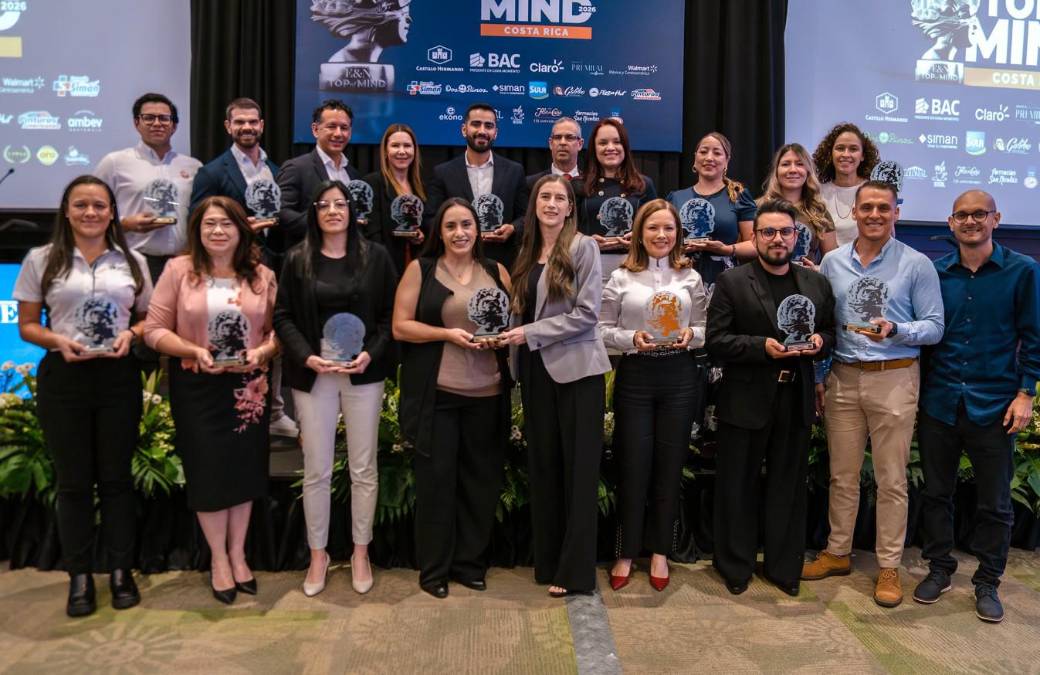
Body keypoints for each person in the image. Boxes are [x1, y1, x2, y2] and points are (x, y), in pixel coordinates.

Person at [14, 176, 152, 617]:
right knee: (73, 483)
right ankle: (79, 575)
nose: (90, 213)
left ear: (113, 212)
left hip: (118, 378)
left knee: (116, 480)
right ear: (67, 211)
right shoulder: (42, 259)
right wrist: (57, 342)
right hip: (65, 378)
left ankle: (119, 569)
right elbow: (28, 325)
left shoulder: (134, 260)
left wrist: (132, 334)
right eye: (81, 205)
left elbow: (149, 319)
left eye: (99, 205)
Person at [805, 181, 944, 608]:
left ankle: (888, 566)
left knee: (891, 480)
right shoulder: (832, 261)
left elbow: (936, 326)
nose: (874, 215)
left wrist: (898, 329)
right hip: (844, 377)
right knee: (842, 475)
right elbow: (826, 323)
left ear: (895, 213)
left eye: (883, 208)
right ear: (855, 213)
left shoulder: (917, 264)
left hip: (895, 377)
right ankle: (838, 552)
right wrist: (818, 377)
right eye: (866, 207)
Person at [144, 196, 278, 605]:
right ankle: (218, 558)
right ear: (197, 231)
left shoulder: (262, 275)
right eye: (209, 225)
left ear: (241, 229)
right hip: (198, 385)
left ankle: (239, 554)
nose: (218, 231)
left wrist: (262, 353)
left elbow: (277, 332)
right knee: (208, 473)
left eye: (226, 224)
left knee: (243, 472)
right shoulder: (178, 270)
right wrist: (191, 350)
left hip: (247, 390)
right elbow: (152, 329)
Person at [914, 190, 1040, 623]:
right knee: (936, 494)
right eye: (962, 215)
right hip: (940, 402)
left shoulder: (1023, 271)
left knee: (995, 503)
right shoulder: (934, 272)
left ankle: (987, 581)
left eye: (979, 214)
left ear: (996, 218)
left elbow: (1034, 337)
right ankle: (939, 569)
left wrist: (1026, 394)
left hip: (996, 404)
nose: (970, 221)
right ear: (951, 223)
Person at [273, 180, 397, 598]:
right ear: (314, 212)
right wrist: (307, 356)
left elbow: (387, 318)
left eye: (339, 203)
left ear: (351, 210)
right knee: (317, 469)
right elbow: (283, 316)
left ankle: (361, 552)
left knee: (364, 468)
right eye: (323, 204)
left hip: (363, 372)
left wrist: (371, 355)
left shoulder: (375, 257)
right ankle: (318, 554)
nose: (332, 210)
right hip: (314, 375)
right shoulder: (296, 259)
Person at [706, 199, 836, 597]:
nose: (777, 239)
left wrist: (819, 341)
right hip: (746, 397)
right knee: (737, 485)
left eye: (785, 232)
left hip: (793, 398)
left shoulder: (816, 283)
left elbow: (832, 333)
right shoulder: (732, 282)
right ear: (755, 236)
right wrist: (761, 346)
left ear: (796, 237)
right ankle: (736, 566)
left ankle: (783, 568)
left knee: (788, 487)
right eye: (768, 232)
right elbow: (716, 342)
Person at [497, 175, 611, 597]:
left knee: (579, 471)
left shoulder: (584, 246)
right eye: (544, 196)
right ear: (534, 205)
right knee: (543, 467)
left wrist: (531, 334)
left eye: (558, 197)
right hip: (534, 370)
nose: (550, 203)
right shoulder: (526, 250)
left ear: (569, 207)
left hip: (578, 371)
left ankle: (575, 570)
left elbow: (587, 314)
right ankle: (547, 562)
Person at [393, 198, 512, 598]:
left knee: (480, 483)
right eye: (451, 226)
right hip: (439, 395)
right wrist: (446, 334)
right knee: (437, 484)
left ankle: (469, 565)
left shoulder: (496, 271)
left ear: (478, 229)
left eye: (467, 224)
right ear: (439, 233)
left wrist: (500, 338)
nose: (460, 233)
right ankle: (434, 570)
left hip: (488, 394)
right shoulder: (421, 270)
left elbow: (511, 326)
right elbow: (400, 327)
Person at [598, 199, 707, 592]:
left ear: (678, 234)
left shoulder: (691, 277)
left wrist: (692, 336)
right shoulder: (621, 277)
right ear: (639, 234)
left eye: (669, 229)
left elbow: (706, 328)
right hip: (637, 376)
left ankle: (660, 550)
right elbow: (601, 329)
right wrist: (631, 339)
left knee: (669, 464)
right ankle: (627, 551)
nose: (661, 236)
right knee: (633, 465)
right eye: (653, 228)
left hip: (679, 376)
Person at [189, 96, 298, 439]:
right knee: (233, 333)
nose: (247, 127)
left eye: (253, 122)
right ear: (228, 127)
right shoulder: (212, 171)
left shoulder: (277, 170)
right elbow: (197, 219)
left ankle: (274, 409)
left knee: (272, 337)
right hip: (229, 268)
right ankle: (232, 408)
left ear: (262, 125)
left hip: (273, 265)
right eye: (240, 122)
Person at [93, 93, 201, 284]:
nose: (157, 123)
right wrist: (125, 224)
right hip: (133, 261)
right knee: (138, 315)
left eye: (164, 118)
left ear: (174, 125)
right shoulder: (115, 163)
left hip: (184, 262)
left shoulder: (193, 167)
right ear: (137, 123)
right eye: (149, 118)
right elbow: (92, 211)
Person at [425, 103, 529, 268]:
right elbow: (430, 219)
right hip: (456, 264)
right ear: (464, 129)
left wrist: (513, 228)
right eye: (476, 124)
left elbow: (525, 216)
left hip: (501, 263)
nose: (482, 131)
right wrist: (454, 232)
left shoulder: (514, 171)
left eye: (488, 126)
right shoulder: (443, 173)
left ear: (495, 133)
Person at [666, 132, 756, 292]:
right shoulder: (675, 198)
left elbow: (756, 245)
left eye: (717, 153)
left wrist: (727, 250)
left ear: (726, 161)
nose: (709, 157)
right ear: (695, 158)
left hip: (725, 284)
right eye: (703, 151)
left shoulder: (739, 195)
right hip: (679, 281)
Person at [573, 118, 656, 282]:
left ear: (625, 146)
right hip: (589, 268)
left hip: (635, 266)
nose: (610, 148)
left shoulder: (644, 184)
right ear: (594, 149)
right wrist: (584, 241)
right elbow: (563, 229)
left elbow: (657, 225)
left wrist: (640, 236)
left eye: (616, 142)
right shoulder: (577, 185)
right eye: (603, 143)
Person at [277, 100, 361, 247]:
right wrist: (322, 223)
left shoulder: (353, 174)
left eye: (344, 128)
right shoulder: (296, 168)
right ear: (315, 129)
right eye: (331, 126)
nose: (338, 133)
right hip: (309, 257)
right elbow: (281, 212)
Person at [361, 123, 427, 275]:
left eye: (407, 146)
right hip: (383, 268)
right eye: (395, 145)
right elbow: (371, 234)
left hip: (415, 266)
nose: (402, 151)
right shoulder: (372, 183)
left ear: (415, 150)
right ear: (385, 151)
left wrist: (419, 235)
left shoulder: (421, 188)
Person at [758, 143, 837, 268]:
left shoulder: (820, 213)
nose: (793, 170)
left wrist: (816, 270)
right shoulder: (758, 208)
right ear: (776, 171)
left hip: (805, 284)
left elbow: (833, 263)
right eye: (786, 164)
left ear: (808, 171)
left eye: (800, 164)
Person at [812, 122, 880, 247]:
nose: (846, 154)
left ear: (863, 155)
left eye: (853, 149)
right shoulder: (817, 193)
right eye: (840, 148)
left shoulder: (875, 192)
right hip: (828, 264)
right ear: (830, 153)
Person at [526, 117, 583, 187]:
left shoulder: (590, 183)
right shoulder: (531, 183)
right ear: (550, 143)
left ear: (580, 144)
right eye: (557, 137)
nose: (562, 142)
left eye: (569, 137)